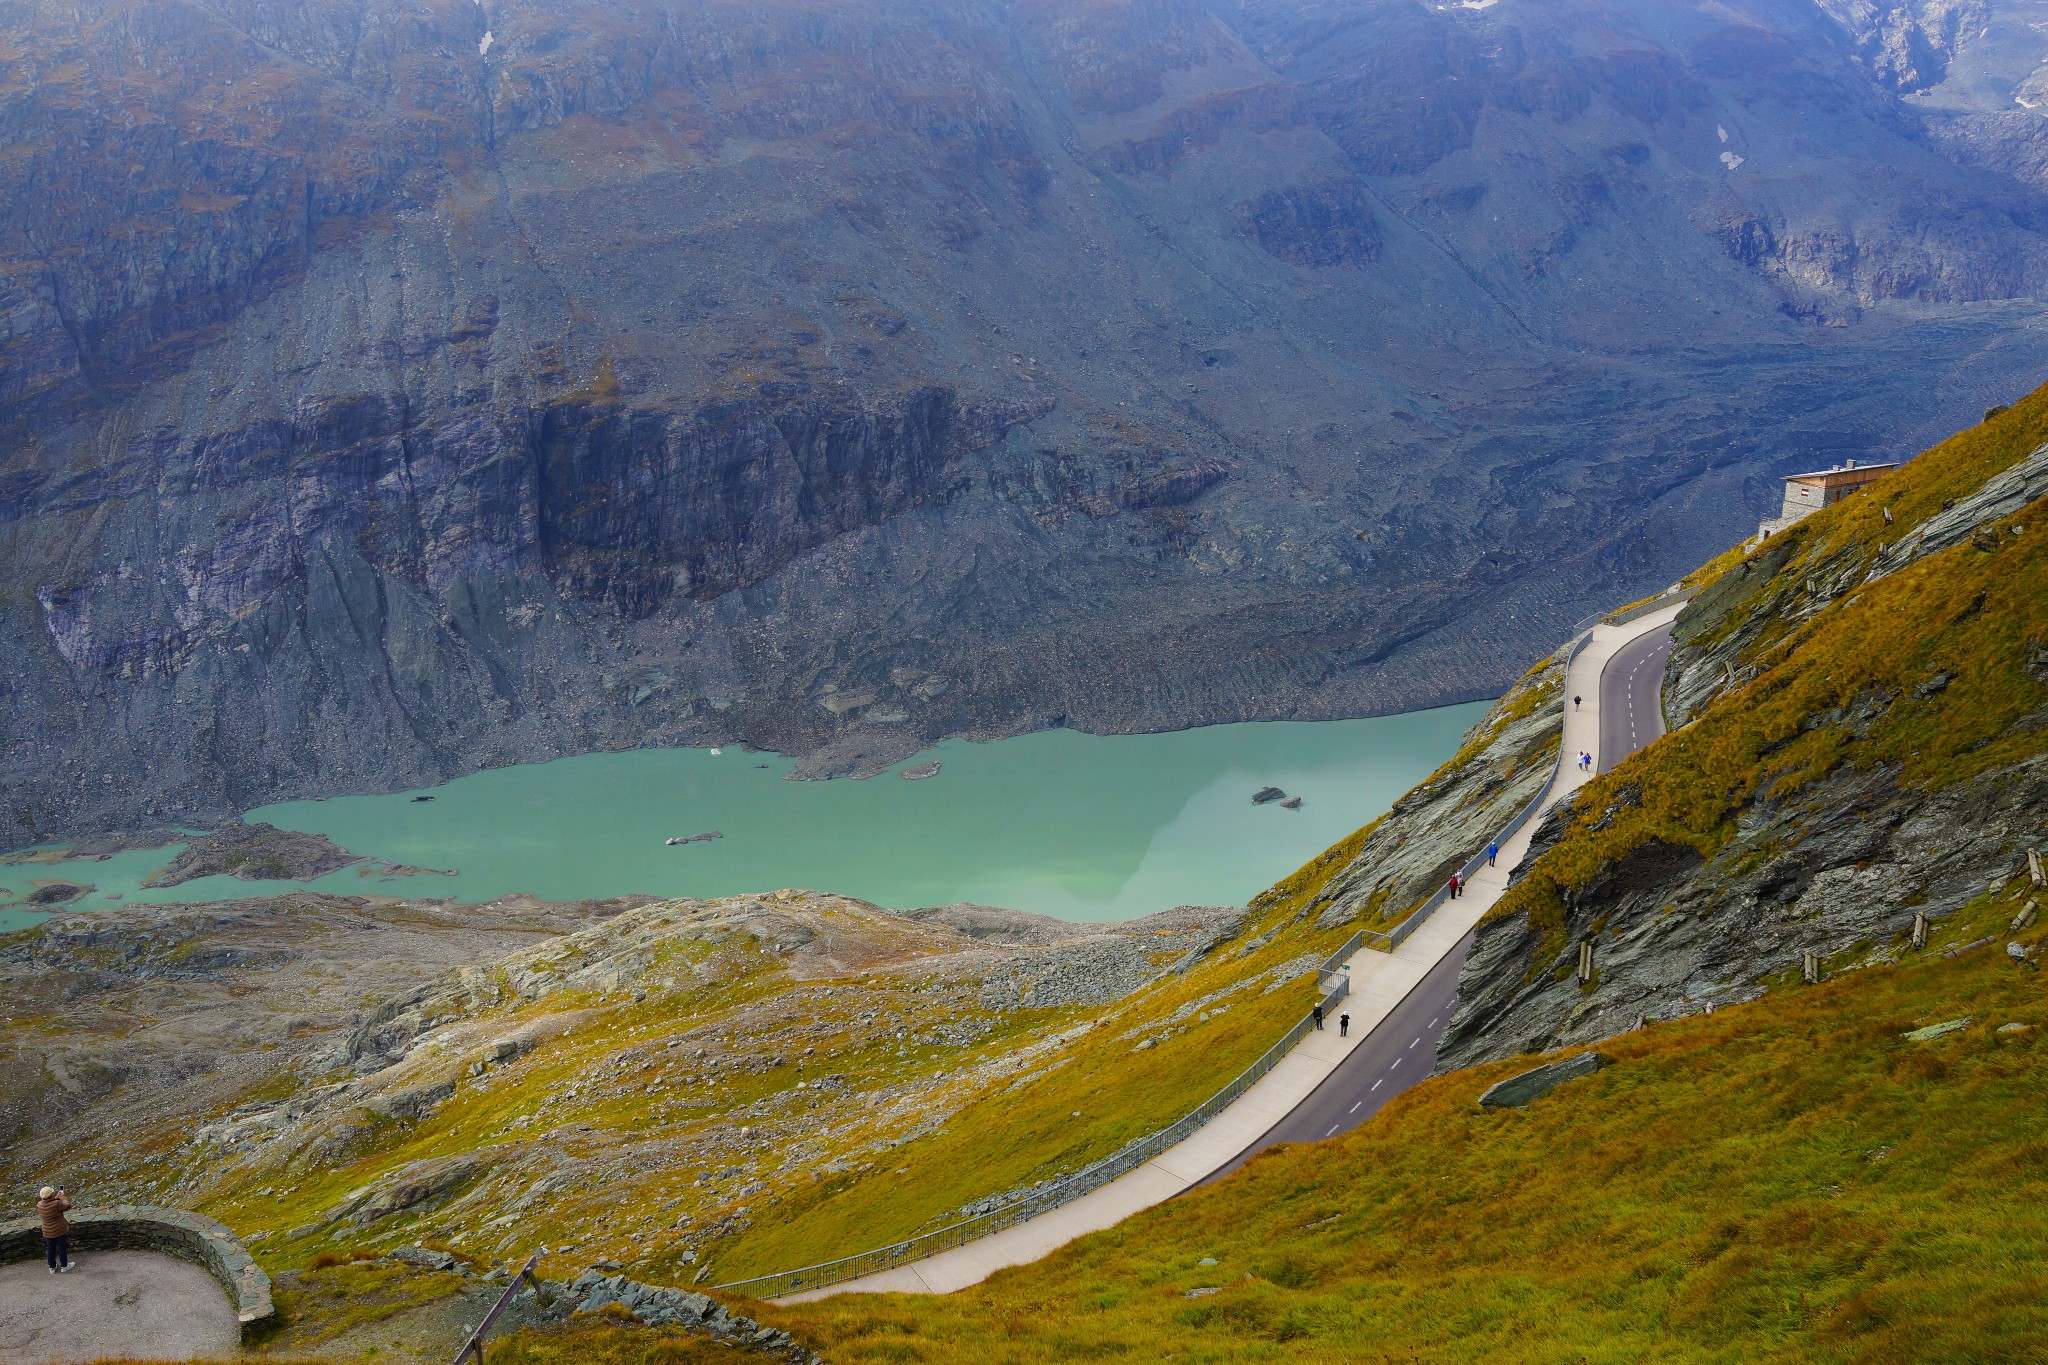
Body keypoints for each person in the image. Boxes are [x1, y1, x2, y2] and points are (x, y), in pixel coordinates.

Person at [37, 1186, 71, 1274]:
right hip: (59, 1230)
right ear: (51, 1195)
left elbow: (50, 1205)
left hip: (48, 1231)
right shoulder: (56, 1204)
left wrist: (56, 1198)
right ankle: (64, 1266)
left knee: (50, 1249)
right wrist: (63, 1198)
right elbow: (67, 1206)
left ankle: (52, 1267)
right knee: (61, 1247)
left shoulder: (39, 1204)